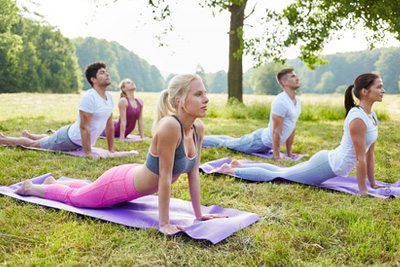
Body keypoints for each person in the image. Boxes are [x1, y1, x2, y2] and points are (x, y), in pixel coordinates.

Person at [14, 74, 227, 235]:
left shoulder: (197, 128)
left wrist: (199, 215)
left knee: (89, 190)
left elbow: (193, 174)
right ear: (179, 100)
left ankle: (53, 182)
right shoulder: (170, 127)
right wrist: (164, 223)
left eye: (204, 93)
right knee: (77, 199)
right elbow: (164, 177)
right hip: (120, 184)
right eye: (198, 94)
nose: (206, 99)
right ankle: (32, 187)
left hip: (132, 178)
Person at [214, 73, 388, 195]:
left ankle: (240, 165)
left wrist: (372, 184)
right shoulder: (357, 118)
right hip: (327, 165)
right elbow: (360, 159)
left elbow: (369, 153)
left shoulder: (371, 116)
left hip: (329, 161)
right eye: (379, 87)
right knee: (281, 176)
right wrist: (364, 191)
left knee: (286, 171)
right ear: (364, 91)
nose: (383, 90)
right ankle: (230, 170)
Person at [0, 62, 115, 160]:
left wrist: (111, 150)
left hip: (73, 137)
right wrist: (88, 153)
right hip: (68, 139)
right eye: (102, 72)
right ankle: (3, 139)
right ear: (93, 79)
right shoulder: (89, 97)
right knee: (33, 145)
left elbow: (109, 126)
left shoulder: (109, 98)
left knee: (49, 140)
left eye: (106, 71)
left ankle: (29, 135)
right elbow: (84, 127)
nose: (107, 74)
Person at [203, 68, 301, 161]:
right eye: (293, 76)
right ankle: (195, 139)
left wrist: (289, 153)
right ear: (285, 82)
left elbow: (292, 127)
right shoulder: (281, 101)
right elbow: (276, 131)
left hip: (266, 144)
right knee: (224, 143)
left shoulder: (297, 102)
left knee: (233, 141)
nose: (297, 78)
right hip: (258, 142)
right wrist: (277, 156)